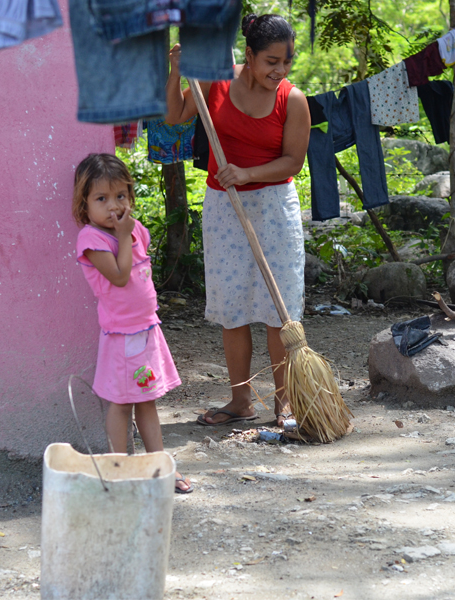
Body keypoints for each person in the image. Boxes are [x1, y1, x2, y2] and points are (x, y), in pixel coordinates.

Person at [165, 13, 310, 427]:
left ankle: (284, 402)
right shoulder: (216, 80)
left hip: (274, 208)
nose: (280, 70)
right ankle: (241, 401)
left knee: (278, 308)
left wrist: (247, 174)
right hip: (224, 207)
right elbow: (175, 115)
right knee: (233, 306)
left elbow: (293, 161)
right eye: (271, 61)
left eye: (287, 61)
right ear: (249, 54)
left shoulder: (292, 100)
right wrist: (176, 71)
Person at [72, 153, 193, 494]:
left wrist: (128, 233)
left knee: (148, 400)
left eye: (120, 196)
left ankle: (159, 466)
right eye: (101, 199)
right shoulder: (92, 240)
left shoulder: (134, 229)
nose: (114, 206)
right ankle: (118, 469)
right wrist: (124, 235)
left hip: (147, 329)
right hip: (122, 337)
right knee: (122, 403)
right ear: (84, 205)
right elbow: (121, 276)